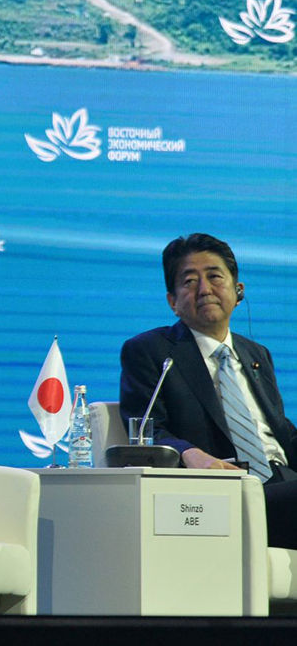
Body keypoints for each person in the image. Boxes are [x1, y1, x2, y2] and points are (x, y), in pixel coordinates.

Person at [120, 233, 297, 549]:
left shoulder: (256, 354)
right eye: (189, 281)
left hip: (284, 484)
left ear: (238, 291)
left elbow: (281, 431)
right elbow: (146, 431)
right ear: (173, 301)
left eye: (215, 276)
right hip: (223, 492)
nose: (204, 289)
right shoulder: (151, 351)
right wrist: (190, 453)